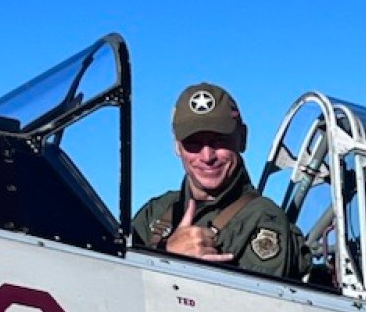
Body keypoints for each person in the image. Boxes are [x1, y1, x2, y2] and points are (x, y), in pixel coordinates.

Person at [133, 82, 312, 279]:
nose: (207, 156)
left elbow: (256, 304)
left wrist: (178, 265)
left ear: (242, 138)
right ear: (177, 146)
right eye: (194, 143)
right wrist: (166, 252)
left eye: (219, 140)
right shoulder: (156, 212)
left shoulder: (264, 220)